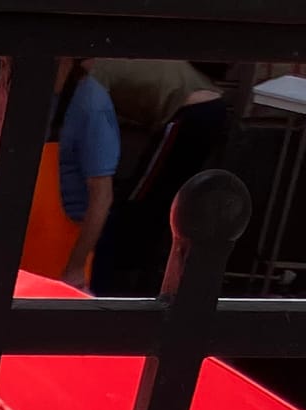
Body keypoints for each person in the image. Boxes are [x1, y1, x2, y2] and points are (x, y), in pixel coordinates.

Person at [94, 66, 234, 295]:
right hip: (209, 106)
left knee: (141, 193)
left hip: (191, 111)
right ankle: (141, 272)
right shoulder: (116, 64)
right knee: (161, 198)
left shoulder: (94, 75)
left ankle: (122, 273)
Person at [22, 59, 122, 288]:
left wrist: (75, 267)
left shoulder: (91, 103)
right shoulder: (30, 93)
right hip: (21, 254)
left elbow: (102, 197)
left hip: (60, 259)